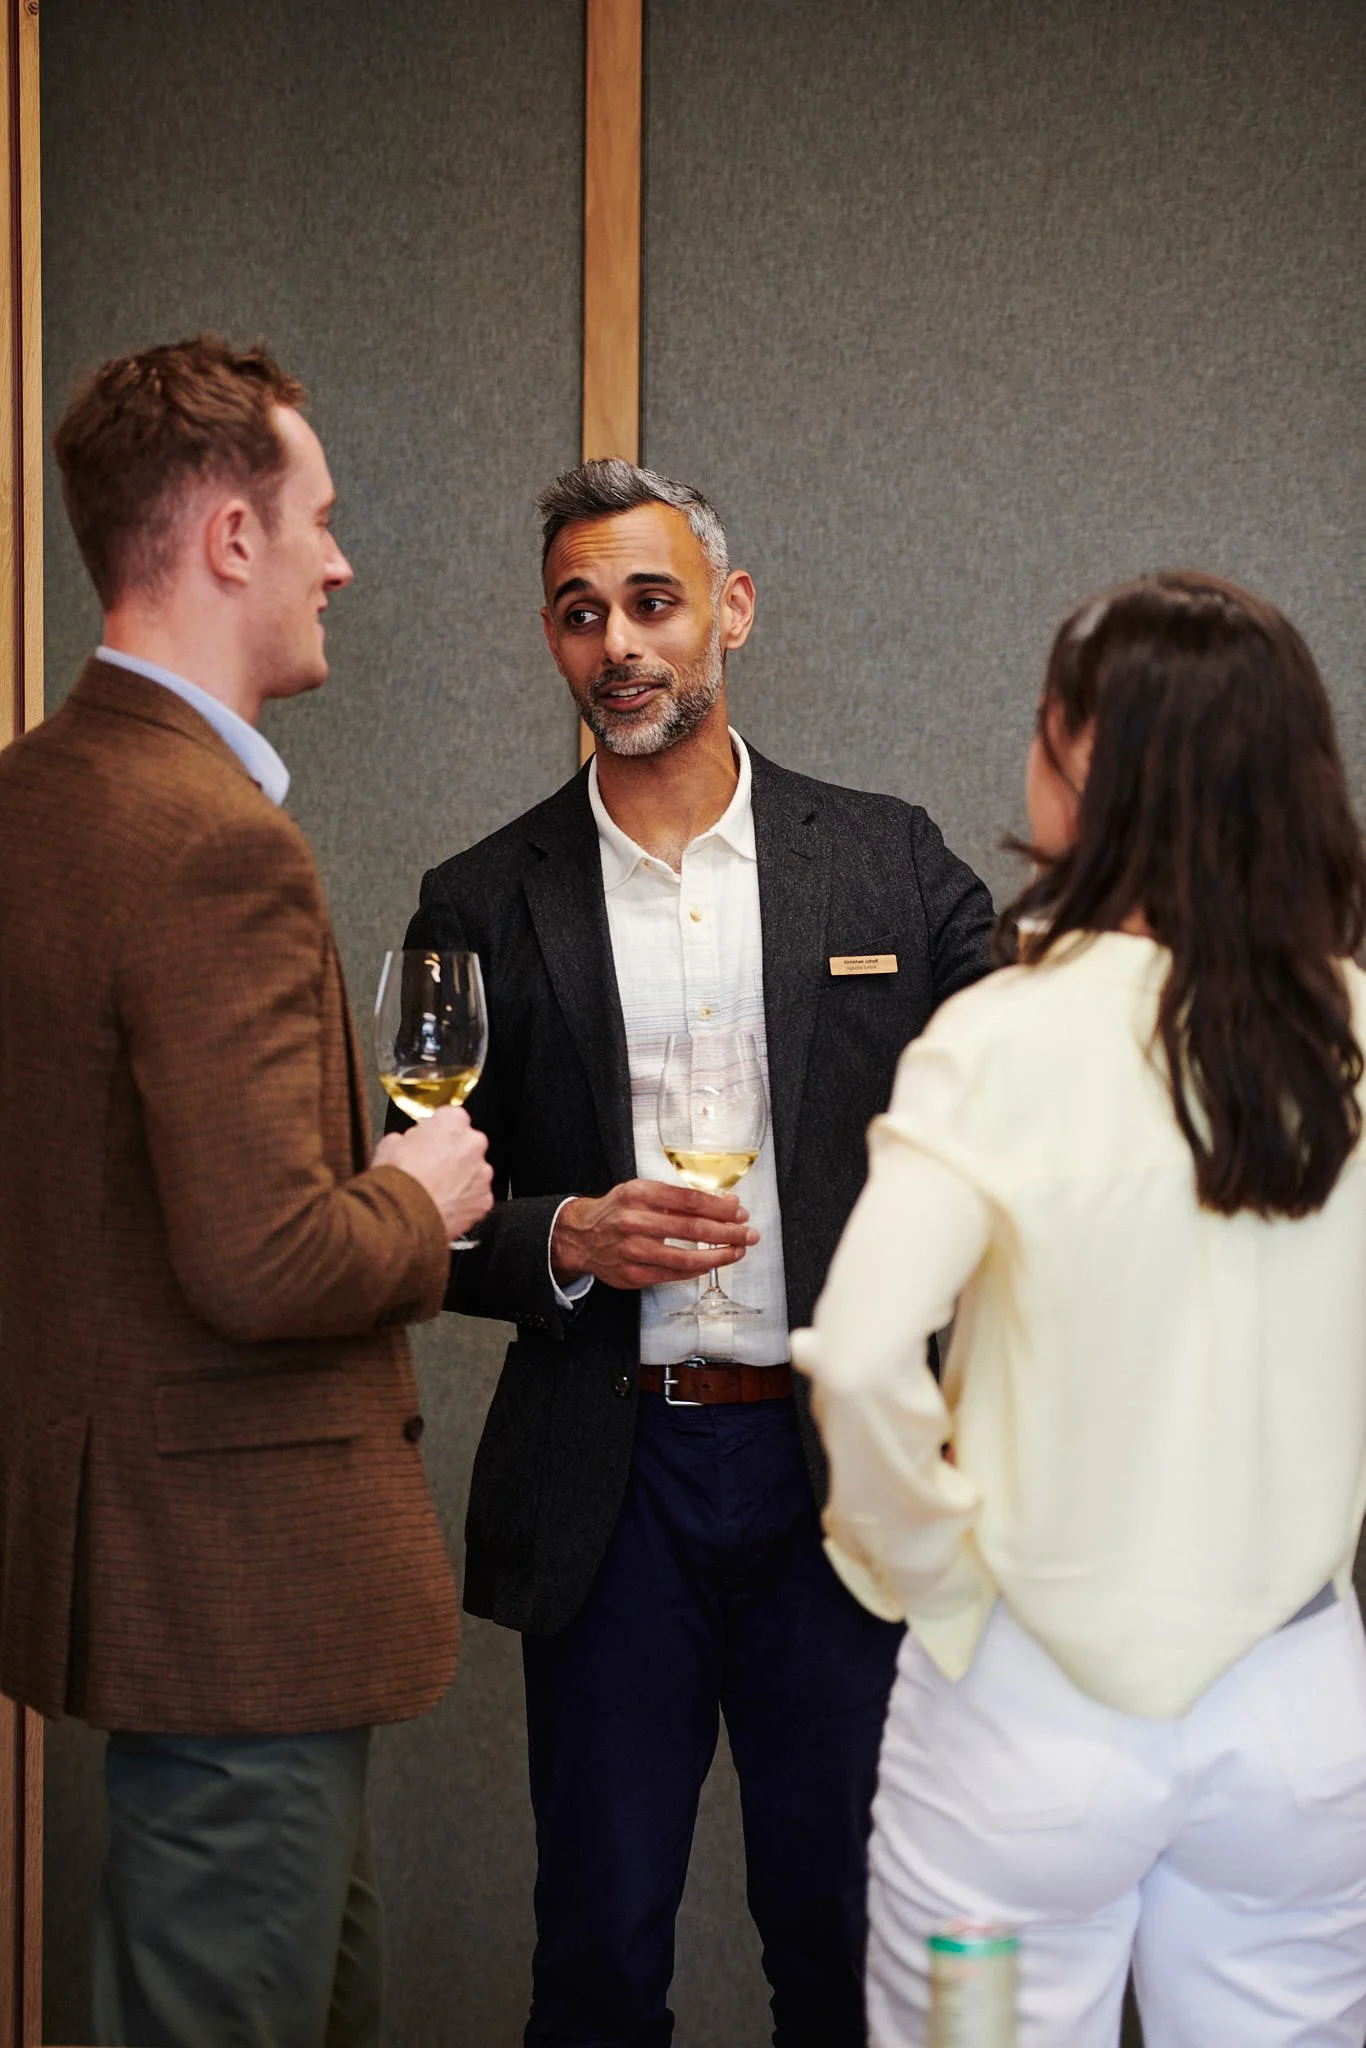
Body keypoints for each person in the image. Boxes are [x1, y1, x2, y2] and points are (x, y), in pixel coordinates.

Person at [399, 458, 994, 2046]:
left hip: (832, 1475)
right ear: (550, 639)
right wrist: (565, 1237)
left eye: (652, 603)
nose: (620, 645)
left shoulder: (884, 860)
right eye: (581, 614)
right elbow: (406, 1217)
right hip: (615, 1487)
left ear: (728, 613)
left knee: (848, 1942)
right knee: (595, 1954)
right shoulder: (474, 900)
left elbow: (1023, 1092)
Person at [0, 335, 494, 2048]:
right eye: (319, 518)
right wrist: (419, 1202)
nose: (340, 561)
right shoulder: (214, 839)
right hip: (241, 1604)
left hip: (150, 1580)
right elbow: (263, 1258)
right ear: (226, 537)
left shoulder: (39, 795)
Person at [794, 570, 1366, 2047]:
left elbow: (858, 1356)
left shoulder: (1003, 1037)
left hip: (1020, 1737)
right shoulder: (1353, 1036)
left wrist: (930, 1571)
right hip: (1301, 1724)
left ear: (1084, 752)